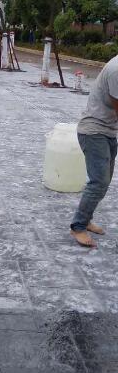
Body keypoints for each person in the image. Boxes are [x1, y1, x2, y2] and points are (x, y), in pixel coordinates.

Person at [70, 56, 118, 247]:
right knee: (99, 181)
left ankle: (86, 219)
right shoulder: (116, 70)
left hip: (109, 131)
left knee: (103, 182)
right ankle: (78, 226)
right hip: (94, 131)